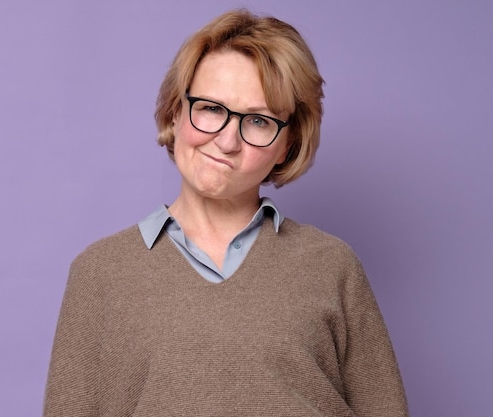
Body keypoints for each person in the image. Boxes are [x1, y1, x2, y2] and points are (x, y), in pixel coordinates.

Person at [43, 9, 409, 417]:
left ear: (286, 144)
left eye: (257, 120)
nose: (227, 141)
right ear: (176, 112)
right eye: (212, 109)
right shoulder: (100, 272)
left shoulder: (333, 266)